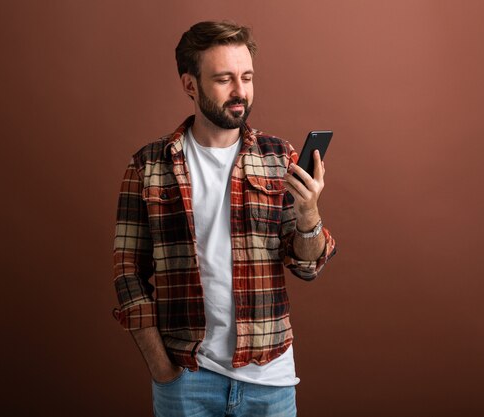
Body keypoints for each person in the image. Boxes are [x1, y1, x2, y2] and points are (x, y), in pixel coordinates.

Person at [113, 20, 337, 417]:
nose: (240, 92)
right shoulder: (148, 166)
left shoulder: (277, 158)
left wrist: (309, 215)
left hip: (271, 380)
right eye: (224, 79)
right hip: (186, 379)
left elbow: (308, 265)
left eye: (247, 77)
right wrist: (163, 370)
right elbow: (129, 275)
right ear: (190, 85)